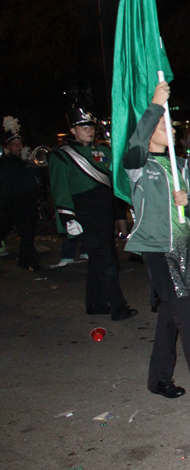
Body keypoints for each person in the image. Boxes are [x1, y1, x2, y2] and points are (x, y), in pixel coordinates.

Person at [123, 81, 190, 416]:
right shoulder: (139, 166)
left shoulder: (181, 166)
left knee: (170, 317)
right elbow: (134, 147)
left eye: (167, 123)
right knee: (189, 320)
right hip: (158, 250)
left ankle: (158, 378)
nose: (165, 127)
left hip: (184, 250)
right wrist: (155, 105)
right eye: (159, 124)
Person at [48, 107, 137, 321]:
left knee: (100, 259)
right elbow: (60, 189)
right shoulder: (62, 156)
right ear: (72, 130)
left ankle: (94, 303)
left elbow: (117, 178)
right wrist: (68, 217)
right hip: (84, 214)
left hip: (104, 213)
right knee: (106, 262)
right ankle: (118, 307)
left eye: (91, 127)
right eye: (84, 127)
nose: (89, 131)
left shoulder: (104, 152)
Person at [0, 122, 41, 271]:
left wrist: (34, 166)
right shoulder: (6, 162)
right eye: (14, 144)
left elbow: (37, 180)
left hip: (28, 201)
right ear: (8, 147)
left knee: (28, 233)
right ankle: (28, 260)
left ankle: (28, 260)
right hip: (11, 203)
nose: (18, 147)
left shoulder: (27, 161)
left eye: (20, 143)